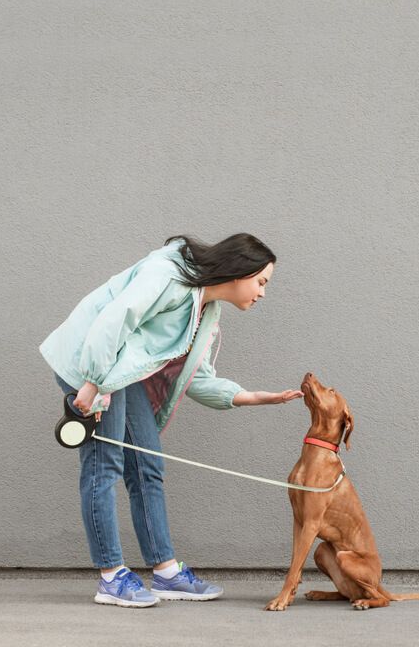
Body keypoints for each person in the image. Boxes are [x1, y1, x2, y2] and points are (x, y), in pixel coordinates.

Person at [39, 233, 304, 608]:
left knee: (147, 465)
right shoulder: (167, 275)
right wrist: (93, 383)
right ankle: (111, 577)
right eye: (261, 282)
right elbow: (114, 320)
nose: (262, 293)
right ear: (240, 271)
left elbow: (197, 376)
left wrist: (251, 397)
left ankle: (165, 572)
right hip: (88, 362)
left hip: (118, 371)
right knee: (104, 465)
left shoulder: (207, 311)